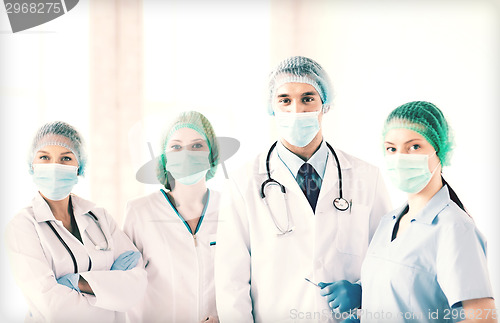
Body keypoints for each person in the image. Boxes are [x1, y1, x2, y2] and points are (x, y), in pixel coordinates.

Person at [214, 56, 392, 322]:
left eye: (307, 98)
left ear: (325, 105)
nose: (296, 109)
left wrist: (364, 293)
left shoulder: (367, 177)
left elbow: (387, 262)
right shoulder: (242, 183)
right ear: (271, 107)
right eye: (285, 100)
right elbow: (231, 282)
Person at [359, 101, 496, 322]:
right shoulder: (388, 222)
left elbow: (482, 318)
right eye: (391, 148)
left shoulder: (454, 227)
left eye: (414, 146)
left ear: (439, 150)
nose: (400, 157)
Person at [5, 121, 147, 323]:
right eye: (44, 157)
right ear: (32, 164)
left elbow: (136, 286)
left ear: (79, 166)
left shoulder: (99, 217)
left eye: (66, 158)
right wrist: (110, 291)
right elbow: (56, 311)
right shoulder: (22, 226)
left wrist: (77, 283)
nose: (55, 166)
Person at [123, 111, 221, 323]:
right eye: (176, 147)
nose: (186, 154)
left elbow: (245, 282)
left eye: (197, 146)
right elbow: (126, 287)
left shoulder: (231, 209)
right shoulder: (140, 212)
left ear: (211, 155)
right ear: (164, 158)